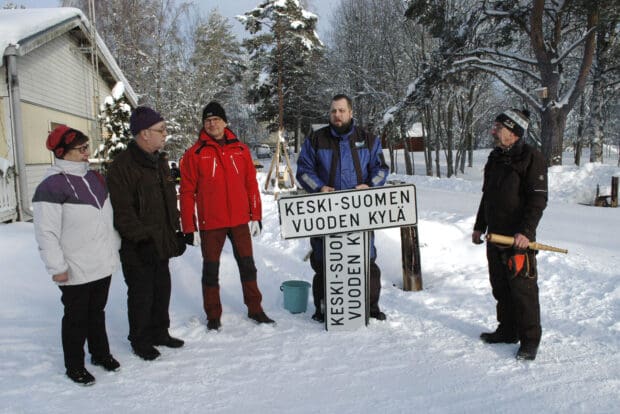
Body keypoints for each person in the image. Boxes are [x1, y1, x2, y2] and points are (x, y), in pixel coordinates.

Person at [33, 126, 121, 386]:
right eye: (81, 149)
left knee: (97, 311)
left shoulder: (95, 178)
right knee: (76, 317)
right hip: (74, 266)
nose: (87, 153)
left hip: (100, 260)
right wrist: (56, 266)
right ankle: (74, 366)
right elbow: (46, 233)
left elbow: (106, 218)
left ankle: (100, 353)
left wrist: (113, 246)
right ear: (63, 153)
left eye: (87, 147)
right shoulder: (50, 186)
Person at [179, 101, 274, 331]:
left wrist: (256, 215)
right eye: (207, 121)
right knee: (210, 270)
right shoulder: (195, 154)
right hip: (211, 222)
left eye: (216, 119)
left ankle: (255, 308)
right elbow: (187, 192)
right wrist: (189, 227)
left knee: (248, 266)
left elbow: (251, 185)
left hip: (240, 220)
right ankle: (213, 315)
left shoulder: (240, 150)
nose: (212, 124)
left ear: (225, 122)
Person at [296, 94, 390, 323]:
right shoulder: (316, 139)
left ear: (351, 113)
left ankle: (370, 308)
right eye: (333, 111)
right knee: (323, 261)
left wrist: (369, 185)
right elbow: (303, 172)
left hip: (360, 212)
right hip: (325, 212)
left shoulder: (368, 139)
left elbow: (381, 169)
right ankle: (323, 308)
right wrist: (318, 188)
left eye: (341, 110)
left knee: (366, 260)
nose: (337, 115)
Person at [107, 106, 186, 361]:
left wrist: (176, 232)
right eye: (160, 130)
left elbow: (167, 200)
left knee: (162, 288)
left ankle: (159, 332)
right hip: (138, 246)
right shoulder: (123, 166)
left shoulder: (159, 162)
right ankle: (139, 339)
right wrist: (141, 240)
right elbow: (122, 210)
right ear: (143, 133)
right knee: (142, 293)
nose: (165, 134)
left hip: (161, 239)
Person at [472, 108, 548, 361]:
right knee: (501, 287)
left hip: (517, 241)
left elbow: (537, 200)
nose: (494, 131)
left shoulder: (531, 158)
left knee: (523, 291)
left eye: (499, 127)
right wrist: (479, 226)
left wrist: (525, 233)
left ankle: (530, 340)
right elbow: (488, 197)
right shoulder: (495, 158)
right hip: (495, 236)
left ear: (513, 132)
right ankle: (507, 330)